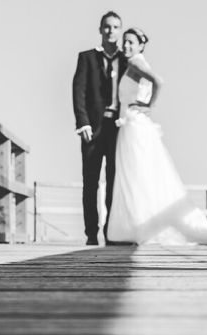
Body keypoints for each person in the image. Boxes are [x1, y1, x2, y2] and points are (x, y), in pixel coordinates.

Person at [108, 28, 207, 246]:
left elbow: (158, 81)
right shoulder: (133, 63)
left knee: (139, 174)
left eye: (131, 42)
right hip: (131, 122)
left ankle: (142, 225)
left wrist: (149, 106)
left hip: (136, 122)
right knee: (138, 174)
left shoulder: (136, 63)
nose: (126, 46)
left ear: (141, 45)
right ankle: (138, 224)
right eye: (125, 42)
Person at [72, 11, 128, 246]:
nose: (111, 31)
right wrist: (82, 122)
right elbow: (78, 92)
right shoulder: (86, 57)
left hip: (117, 129)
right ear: (100, 29)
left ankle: (111, 232)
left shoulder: (128, 60)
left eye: (115, 27)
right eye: (107, 27)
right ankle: (91, 233)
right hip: (92, 128)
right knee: (91, 182)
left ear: (120, 30)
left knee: (115, 180)